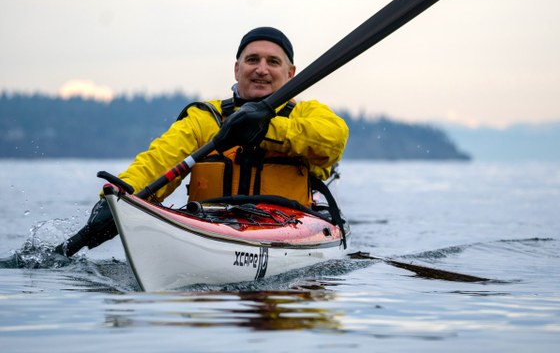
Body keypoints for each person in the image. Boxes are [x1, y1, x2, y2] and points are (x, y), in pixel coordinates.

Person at [55, 26, 349, 257]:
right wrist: (121, 195)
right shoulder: (206, 118)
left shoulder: (307, 114)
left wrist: (264, 129)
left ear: (290, 74)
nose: (261, 69)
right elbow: (159, 161)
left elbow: (333, 139)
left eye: (273, 62)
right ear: (237, 69)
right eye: (252, 60)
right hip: (212, 223)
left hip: (289, 226)